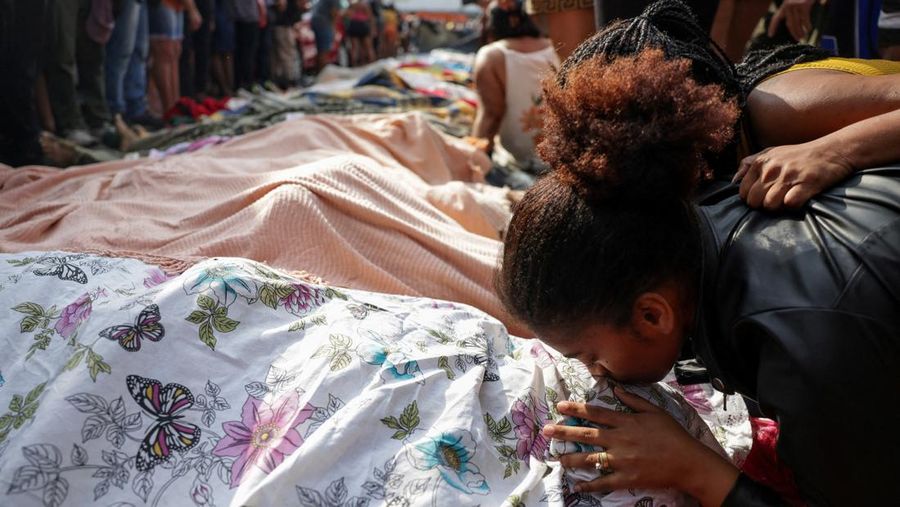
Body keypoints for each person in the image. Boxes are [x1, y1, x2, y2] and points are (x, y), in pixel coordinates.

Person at [496, 1, 900, 504]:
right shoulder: (709, 217)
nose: (593, 375)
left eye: (591, 358)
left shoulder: (776, 115)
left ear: (652, 313)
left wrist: (695, 469)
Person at [472, 1, 559, 174]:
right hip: (560, 158)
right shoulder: (558, 45)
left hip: (519, 163)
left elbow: (491, 117)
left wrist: (473, 160)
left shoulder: (491, 56)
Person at [311, 0, 342, 72]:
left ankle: (320, 73)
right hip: (324, 23)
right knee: (324, 51)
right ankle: (323, 74)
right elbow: (334, 12)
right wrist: (333, 27)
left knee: (321, 50)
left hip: (317, 21)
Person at [346, 0, 375, 67]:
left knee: (354, 48)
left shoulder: (353, 5)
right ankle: (371, 65)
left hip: (354, 24)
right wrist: (372, 29)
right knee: (368, 47)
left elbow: (348, 14)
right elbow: (370, 17)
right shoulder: (365, 5)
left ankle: (354, 65)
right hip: (362, 24)